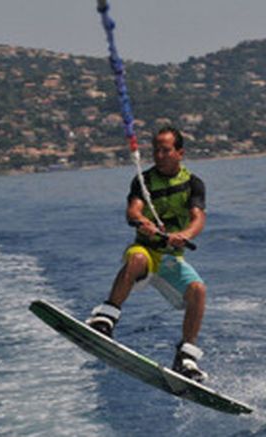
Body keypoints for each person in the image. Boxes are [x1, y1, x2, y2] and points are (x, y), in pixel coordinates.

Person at [86, 126, 209, 382]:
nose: (159, 155)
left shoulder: (193, 183)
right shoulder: (143, 181)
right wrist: (143, 221)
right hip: (146, 251)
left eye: (166, 150)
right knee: (137, 258)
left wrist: (184, 235)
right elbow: (133, 210)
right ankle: (105, 319)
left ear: (180, 152)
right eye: (156, 150)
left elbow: (198, 218)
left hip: (171, 258)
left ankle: (186, 358)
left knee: (198, 290)